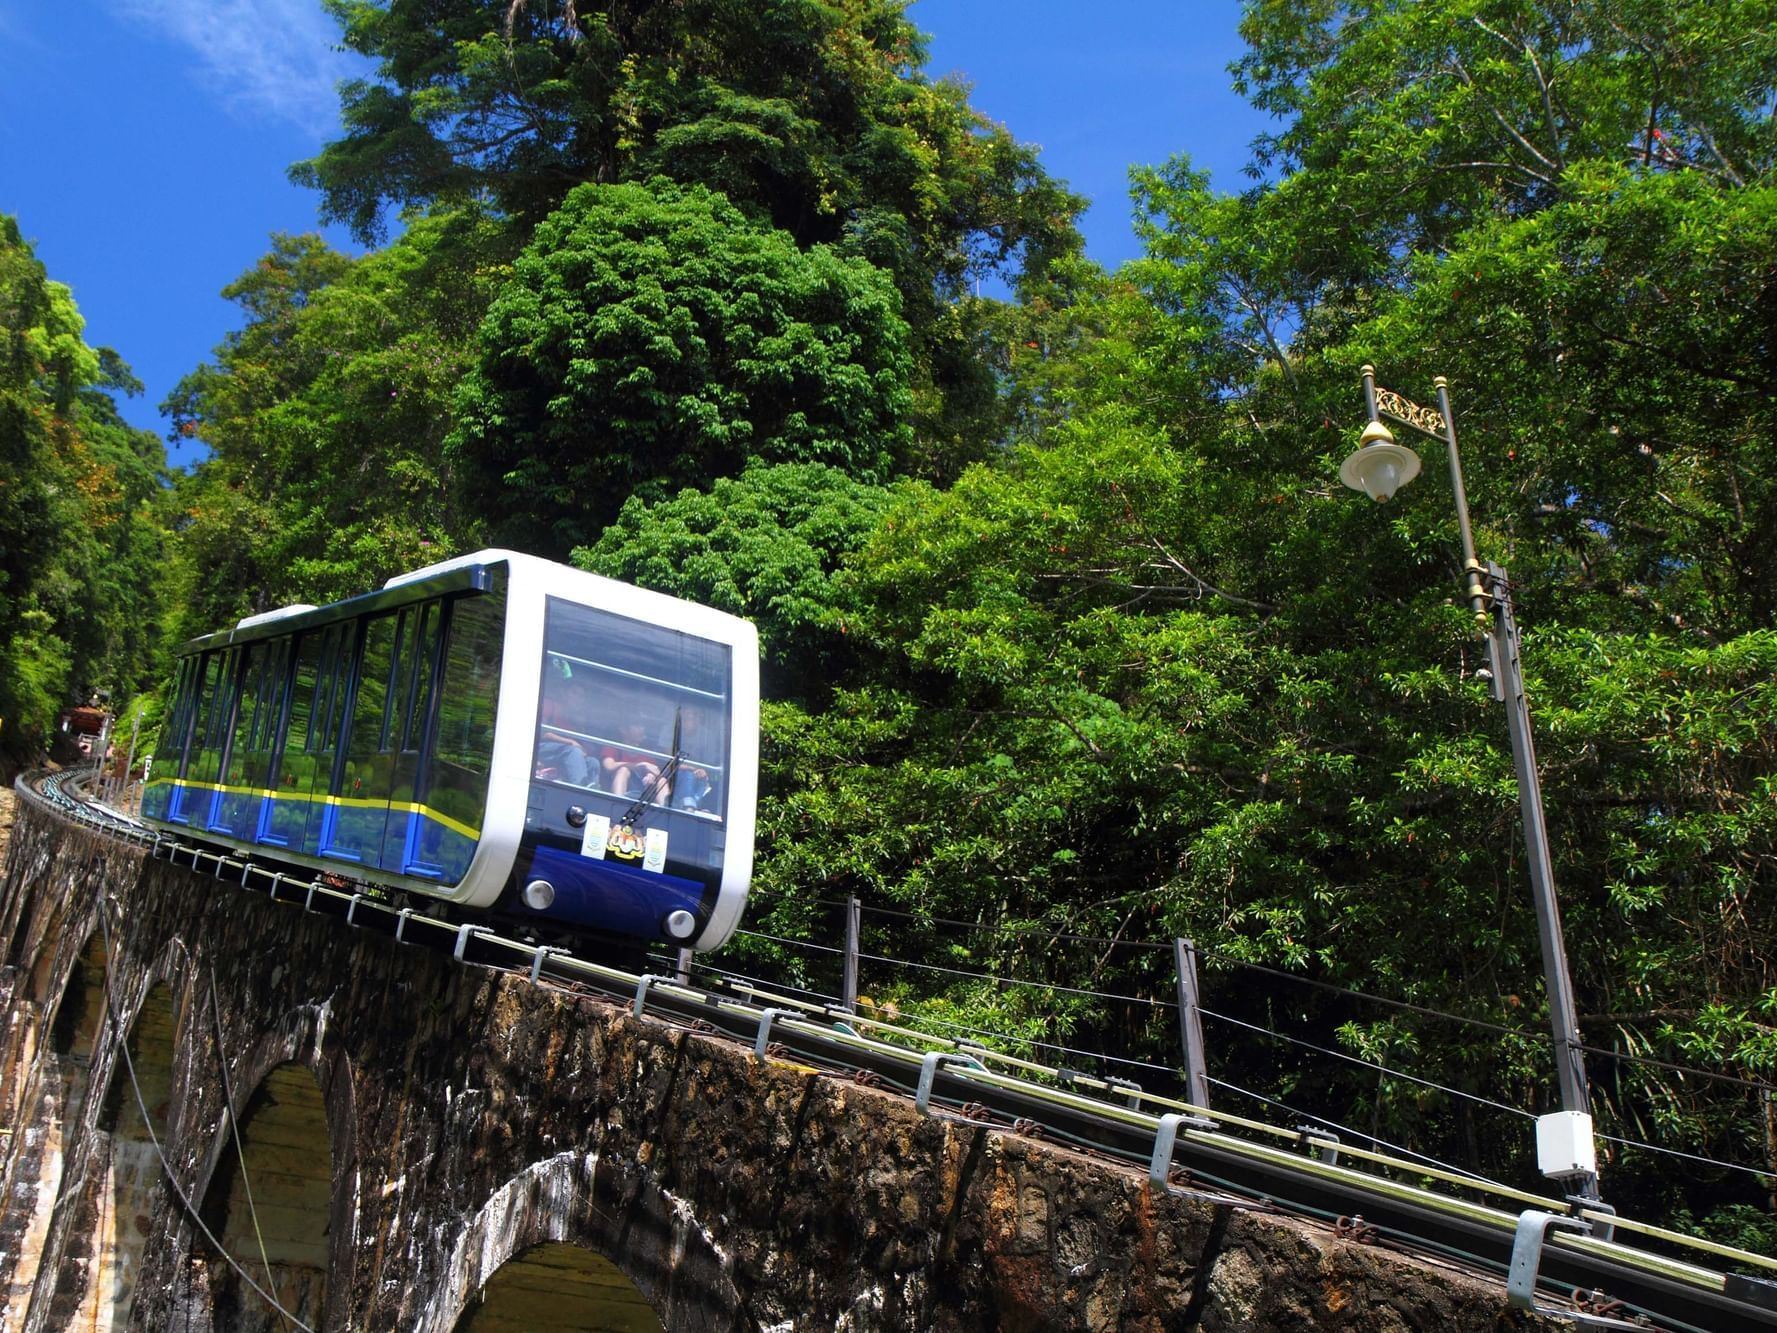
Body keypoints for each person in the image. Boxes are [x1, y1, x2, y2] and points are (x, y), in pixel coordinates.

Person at [534, 669, 591, 785]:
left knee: (593, 762)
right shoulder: (550, 705)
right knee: (573, 752)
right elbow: (543, 732)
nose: (578, 699)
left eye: (582, 696)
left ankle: (592, 789)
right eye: (574, 693)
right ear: (563, 692)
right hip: (540, 748)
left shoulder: (576, 719)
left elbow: (581, 746)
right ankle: (580, 787)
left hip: (561, 753)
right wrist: (570, 742)